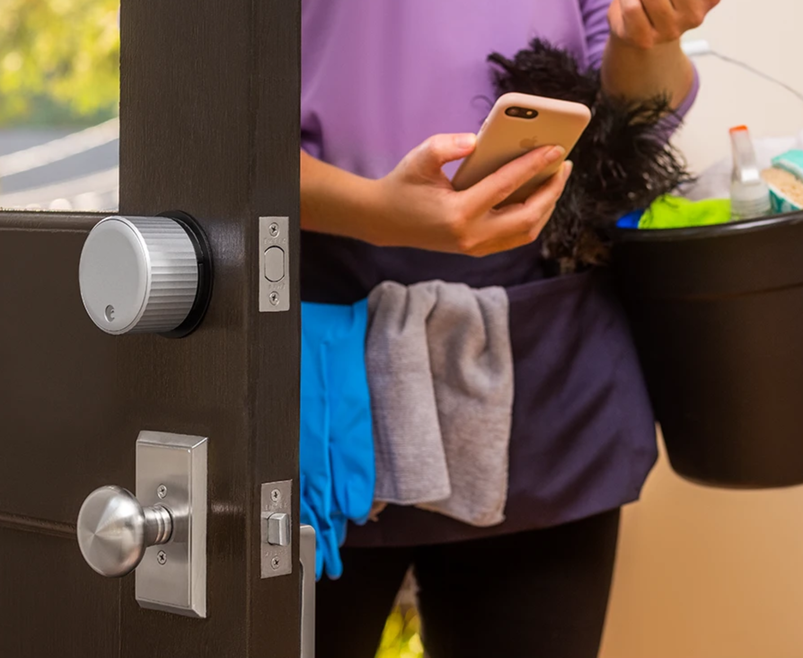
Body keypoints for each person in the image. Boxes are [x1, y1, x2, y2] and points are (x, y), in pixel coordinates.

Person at [300, 1, 720, 657]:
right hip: (315, 367)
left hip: (543, 367)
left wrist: (647, 36)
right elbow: (202, 133)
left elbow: (633, 119)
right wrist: (377, 214)